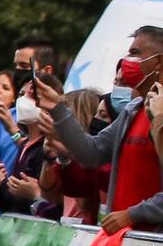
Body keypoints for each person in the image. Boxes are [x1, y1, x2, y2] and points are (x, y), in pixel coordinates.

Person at [36, 26, 163, 234]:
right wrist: (58, 109)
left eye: (135, 53)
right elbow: (90, 153)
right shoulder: (133, 110)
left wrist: (131, 215)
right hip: (122, 241)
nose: (125, 62)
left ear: (158, 62)